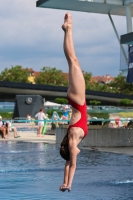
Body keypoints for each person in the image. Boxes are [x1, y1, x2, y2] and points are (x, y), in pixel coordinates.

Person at [59, 12, 88, 192]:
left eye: (72, 155)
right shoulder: (71, 142)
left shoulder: (72, 142)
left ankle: (68, 29)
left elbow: (73, 166)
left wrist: (69, 185)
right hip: (75, 100)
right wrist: (64, 183)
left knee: (73, 60)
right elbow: (68, 164)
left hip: (78, 100)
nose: (76, 155)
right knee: (71, 61)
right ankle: (67, 30)